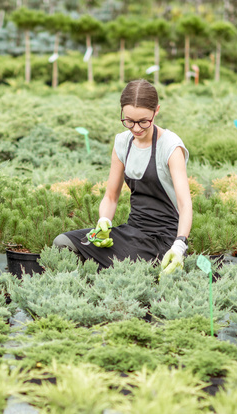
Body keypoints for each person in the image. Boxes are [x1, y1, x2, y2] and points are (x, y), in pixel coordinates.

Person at [54, 79, 193, 273]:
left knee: (121, 268)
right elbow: (111, 197)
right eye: (129, 121)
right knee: (63, 243)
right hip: (132, 231)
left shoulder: (170, 146)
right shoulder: (122, 143)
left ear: (157, 111)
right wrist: (104, 222)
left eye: (144, 121)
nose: (136, 128)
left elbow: (185, 204)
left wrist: (179, 245)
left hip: (163, 239)